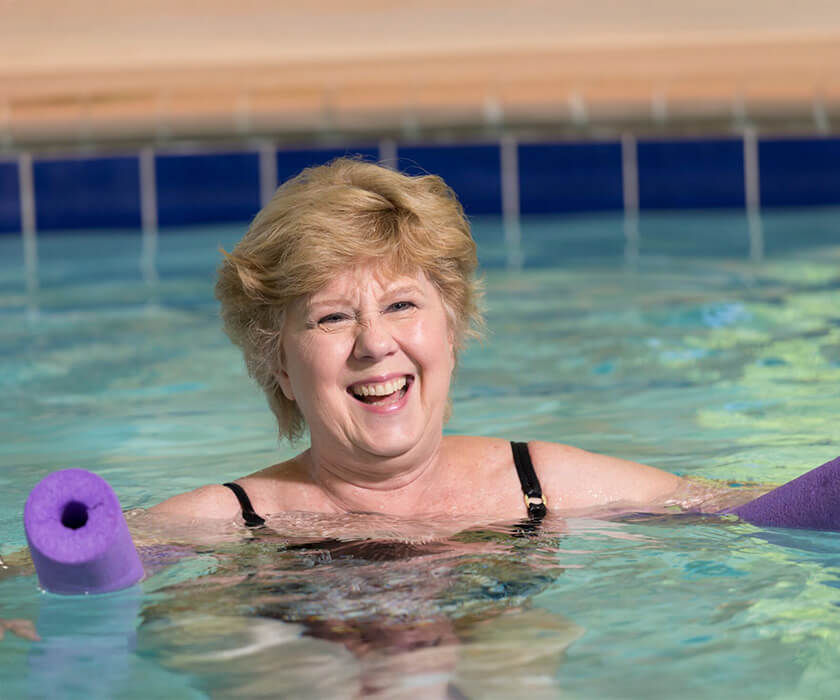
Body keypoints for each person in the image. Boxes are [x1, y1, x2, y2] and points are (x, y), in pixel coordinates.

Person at [152, 157, 692, 526]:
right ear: (281, 366)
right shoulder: (232, 524)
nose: (374, 343)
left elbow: (749, 512)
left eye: (401, 305)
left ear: (451, 330)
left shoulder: (545, 490)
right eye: (333, 317)